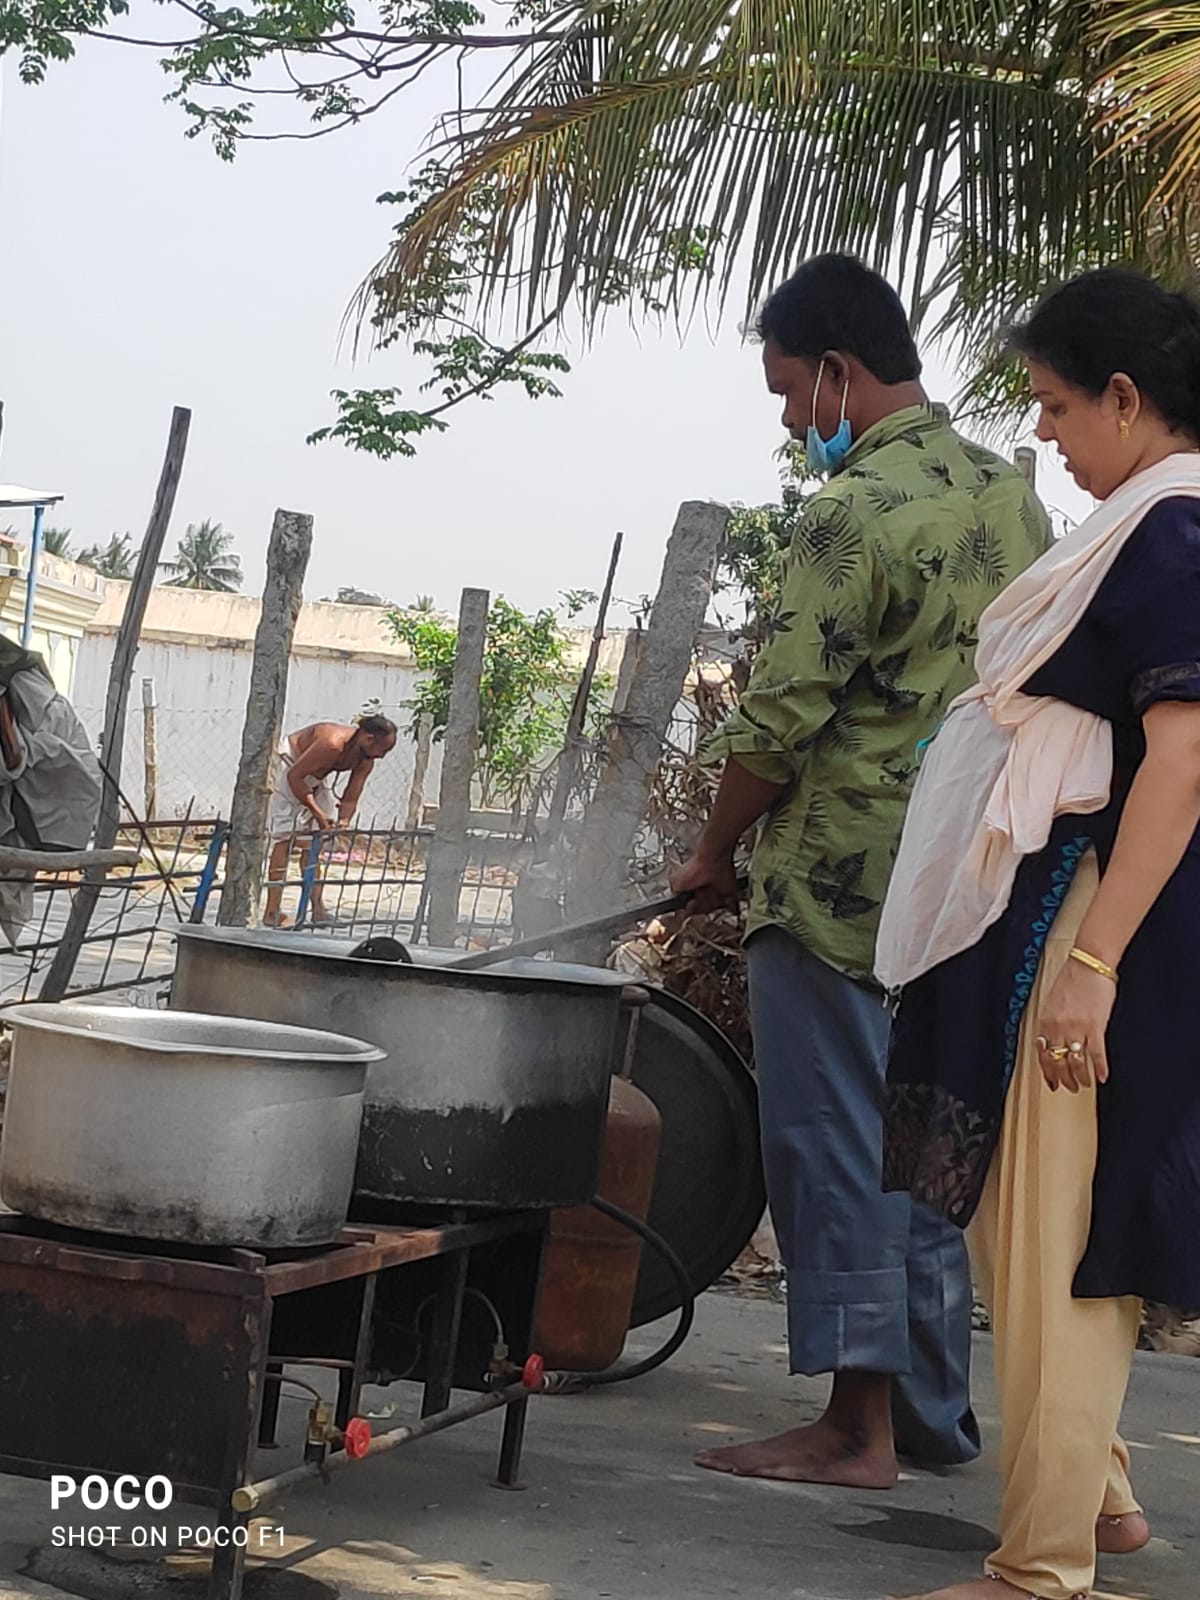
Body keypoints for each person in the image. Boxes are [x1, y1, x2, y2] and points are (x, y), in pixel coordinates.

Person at [670, 254, 1050, 1488]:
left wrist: (712, 850)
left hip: (837, 884)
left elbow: (779, 720)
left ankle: (854, 1428)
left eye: (790, 391)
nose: (790, 420)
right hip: (966, 879)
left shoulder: (848, 513)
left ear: (838, 371)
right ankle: (932, 1416)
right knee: (929, 1137)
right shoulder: (1012, 500)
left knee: (836, 1145)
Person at [877, 268, 1200, 1600]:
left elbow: (1181, 765)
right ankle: (1104, 1503)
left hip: (1092, 929)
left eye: (1060, 410)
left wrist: (1091, 966)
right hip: (1058, 927)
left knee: (1063, 1250)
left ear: (1127, 399)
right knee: (1030, 1230)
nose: (1049, 439)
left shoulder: (1173, 538)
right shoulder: (1142, 528)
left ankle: (1040, 1571)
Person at [263, 714, 397, 927]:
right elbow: (295, 777)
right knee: (284, 837)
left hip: (314, 778)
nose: (382, 756)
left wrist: (343, 822)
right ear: (369, 738)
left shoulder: (366, 760)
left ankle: (317, 909)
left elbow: (351, 796)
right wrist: (317, 813)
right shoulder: (332, 743)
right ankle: (272, 911)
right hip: (290, 767)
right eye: (383, 750)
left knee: (316, 839)